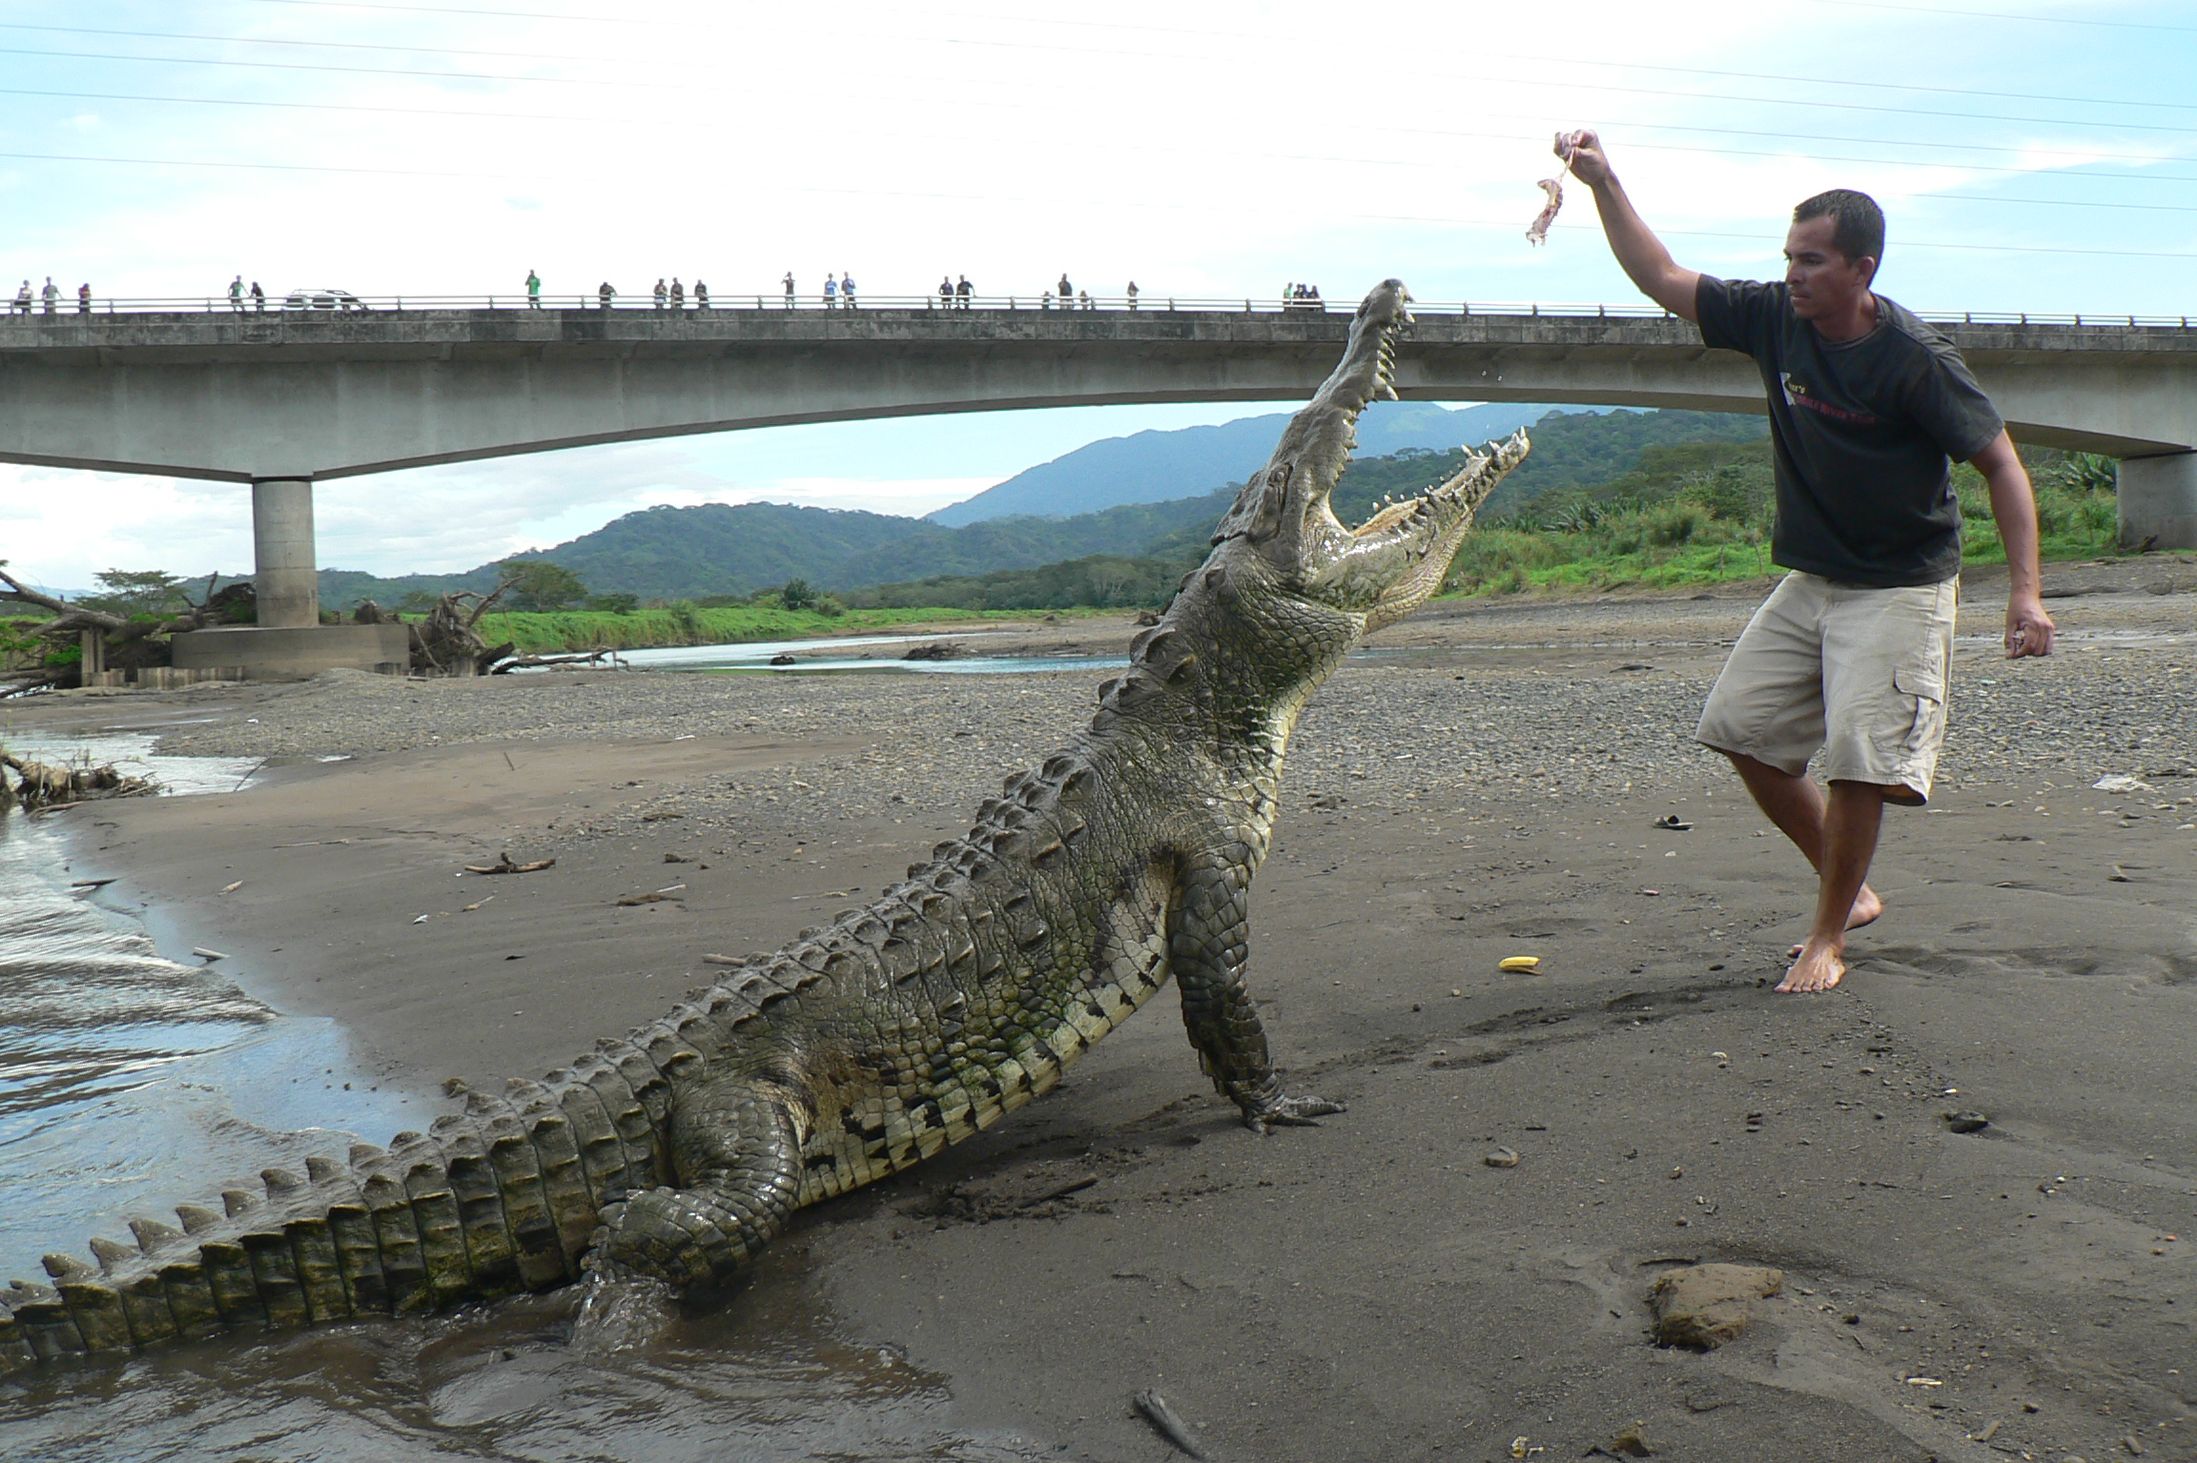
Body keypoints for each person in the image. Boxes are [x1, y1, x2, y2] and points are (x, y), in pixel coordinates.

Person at [1562, 127, 2055, 995]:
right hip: (1815, 576)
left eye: (1812, 260)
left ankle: (1825, 935)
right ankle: (1851, 888)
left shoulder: (1913, 361)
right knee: (1741, 729)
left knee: (1858, 758)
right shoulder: (1768, 317)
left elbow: (2001, 466)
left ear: (1860, 268)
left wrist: (2024, 593)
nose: (1793, 273)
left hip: (1900, 584)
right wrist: (1604, 182)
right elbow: (1659, 276)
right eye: (1789, 255)